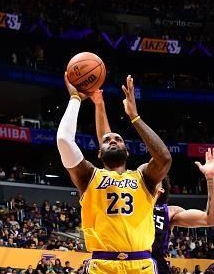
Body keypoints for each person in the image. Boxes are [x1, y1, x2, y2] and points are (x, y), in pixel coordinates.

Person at [91, 89, 214, 274]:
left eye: (153, 180)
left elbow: (212, 219)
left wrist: (210, 179)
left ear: (159, 189)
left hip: (154, 267)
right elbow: (108, 149)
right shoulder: (126, 191)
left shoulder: (169, 212)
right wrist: (100, 105)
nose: (148, 180)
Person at [57, 74, 172, 274]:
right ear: (99, 153)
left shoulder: (143, 176)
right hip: (102, 265)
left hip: (141, 265)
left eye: (118, 139)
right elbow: (64, 141)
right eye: (107, 140)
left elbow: (164, 158)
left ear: (127, 152)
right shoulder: (88, 176)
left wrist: (134, 117)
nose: (112, 140)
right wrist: (75, 99)